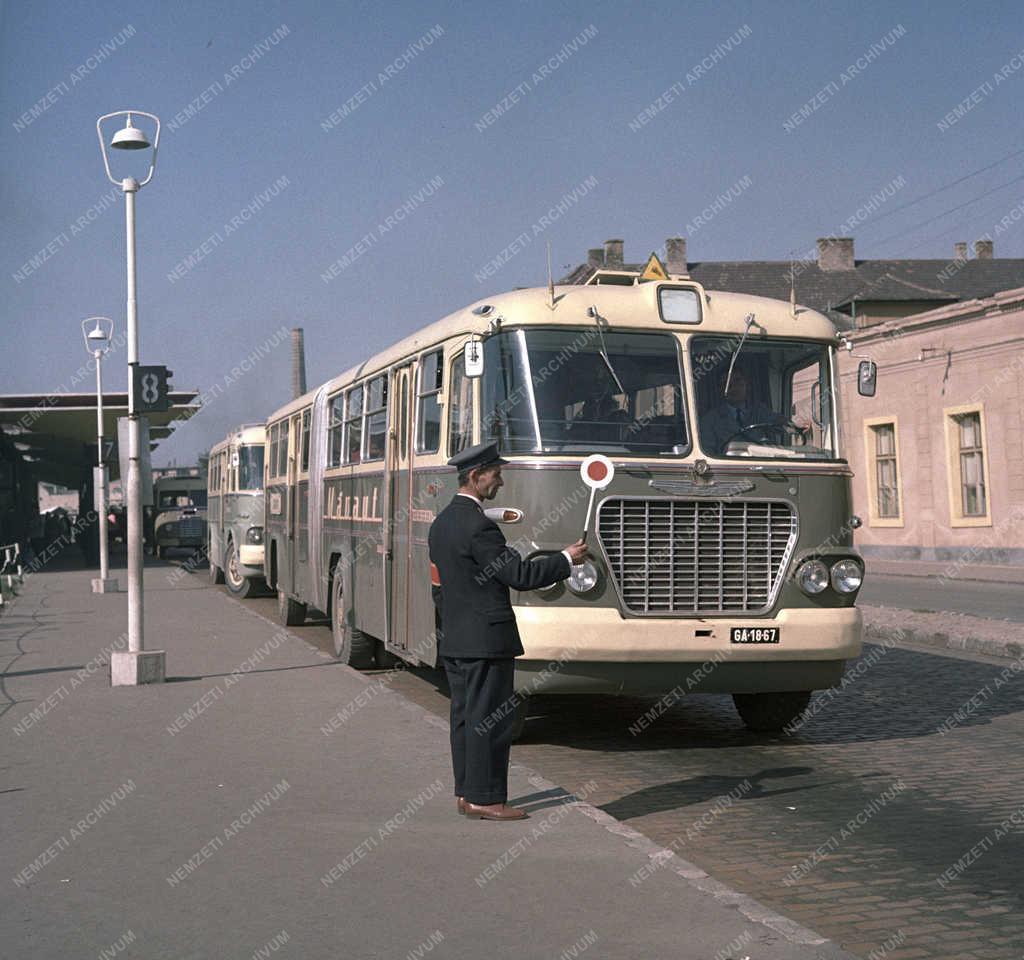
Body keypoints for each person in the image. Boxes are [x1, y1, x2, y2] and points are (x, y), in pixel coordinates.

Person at [428, 441, 588, 821]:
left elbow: (437, 587)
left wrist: (454, 625)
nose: (500, 480)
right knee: (491, 720)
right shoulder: (480, 527)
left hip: (456, 639)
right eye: (495, 473)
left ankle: (467, 794)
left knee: (465, 718)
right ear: (475, 476)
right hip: (486, 641)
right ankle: (486, 799)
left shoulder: (442, 523)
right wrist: (565, 559)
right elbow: (519, 575)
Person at [700, 367, 798, 454]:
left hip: (760, 465)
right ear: (720, 390)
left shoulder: (759, 411)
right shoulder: (710, 420)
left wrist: (795, 426)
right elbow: (708, 453)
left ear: (747, 384)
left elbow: (780, 423)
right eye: (726, 384)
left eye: (738, 381)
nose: (733, 388)